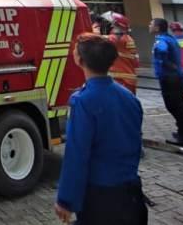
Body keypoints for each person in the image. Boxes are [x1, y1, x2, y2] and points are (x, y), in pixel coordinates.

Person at [55, 33, 147, 225]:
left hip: (100, 197)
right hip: (131, 193)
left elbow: (77, 155)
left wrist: (66, 200)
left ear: (80, 60)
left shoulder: (83, 101)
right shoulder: (129, 97)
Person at [150, 18, 183, 146]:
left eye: (151, 24)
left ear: (157, 27)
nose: (149, 26)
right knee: (179, 106)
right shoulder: (170, 38)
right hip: (177, 77)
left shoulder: (161, 40)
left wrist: (166, 63)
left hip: (170, 78)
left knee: (174, 107)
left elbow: (162, 50)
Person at [102, 12, 140, 95]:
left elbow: (99, 39)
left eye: (113, 24)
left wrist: (94, 28)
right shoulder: (126, 37)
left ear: (118, 26)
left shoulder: (118, 38)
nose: (111, 26)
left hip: (122, 79)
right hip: (126, 78)